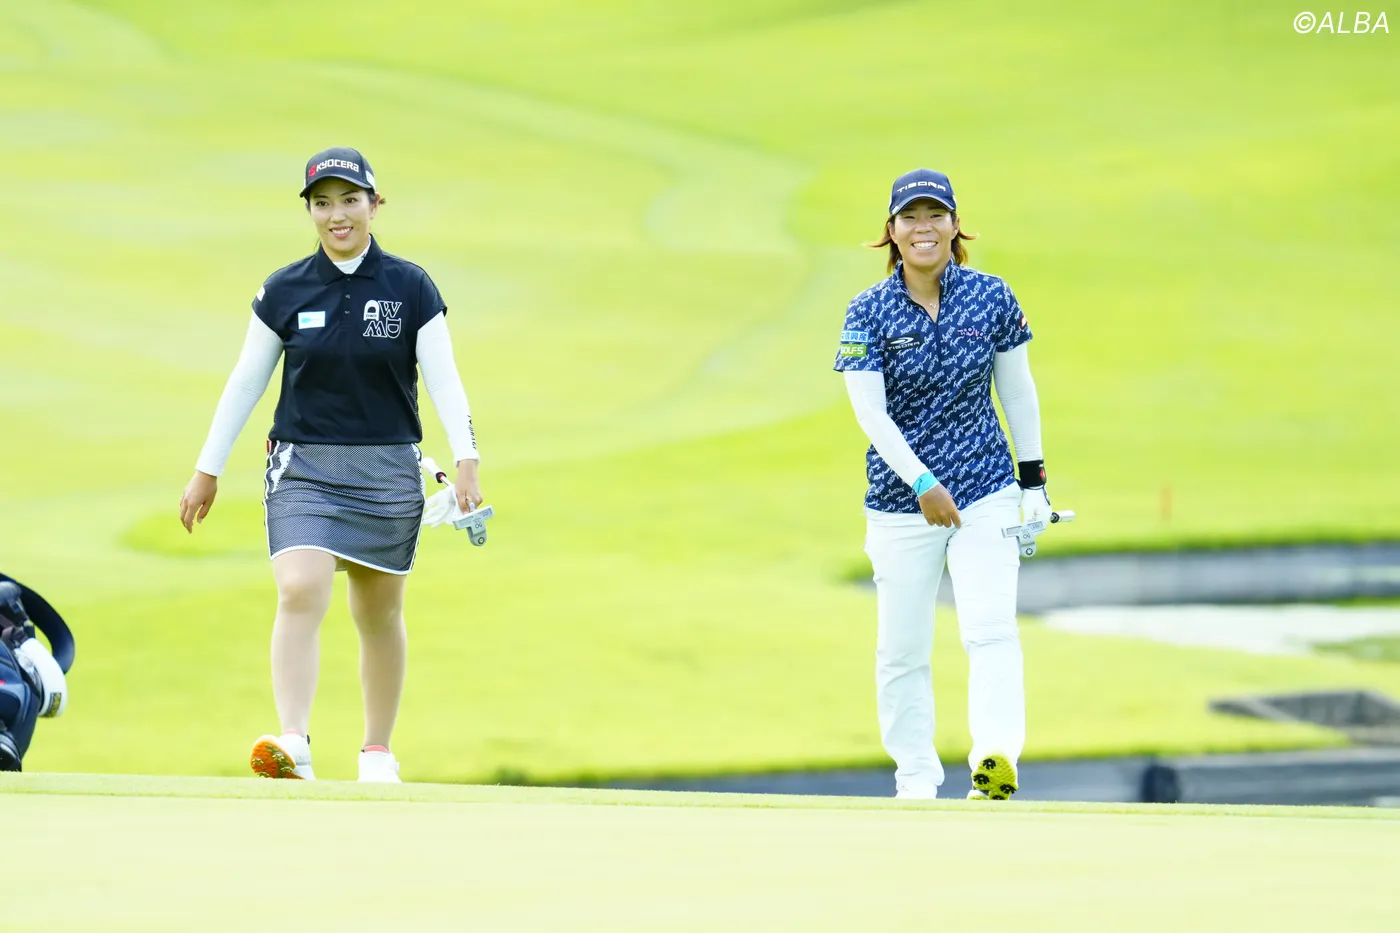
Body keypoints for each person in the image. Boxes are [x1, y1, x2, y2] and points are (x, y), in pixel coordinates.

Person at [178, 147, 482, 783]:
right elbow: (246, 382)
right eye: (322, 203)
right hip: (303, 468)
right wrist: (209, 467)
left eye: (350, 200)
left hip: (387, 470)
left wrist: (467, 459)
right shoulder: (284, 289)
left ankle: (377, 752)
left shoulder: (411, 287)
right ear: (310, 211)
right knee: (299, 588)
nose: (336, 214)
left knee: (378, 615)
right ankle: (294, 742)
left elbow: (444, 380)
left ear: (375, 204)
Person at [832, 168, 1051, 800]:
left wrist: (1033, 482)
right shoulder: (867, 311)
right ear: (892, 231)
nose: (923, 227)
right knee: (901, 649)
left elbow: (1017, 391)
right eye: (910, 217)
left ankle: (994, 760)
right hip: (901, 502)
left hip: (985, 487)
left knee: (991, 628)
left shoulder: (991, 296)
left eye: (936, 215)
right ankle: (916, 777)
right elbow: (871, 413)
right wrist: (923, 481)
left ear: (956, 226)